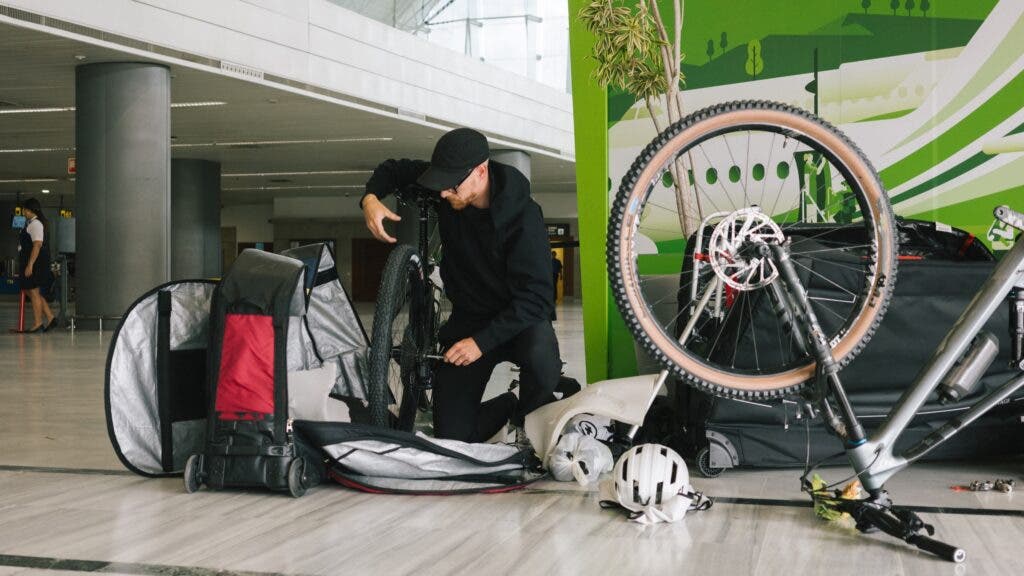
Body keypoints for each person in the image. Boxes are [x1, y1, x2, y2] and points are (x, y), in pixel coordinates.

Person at [361, 127, 560, 444]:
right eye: (441, 184)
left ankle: (527, 416)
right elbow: (393, 169)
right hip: (471, 317)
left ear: (481, 171)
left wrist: (481, 343)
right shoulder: (449, 189)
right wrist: (370, 199)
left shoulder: (524, 217)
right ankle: (509, 403)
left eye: (452, 185)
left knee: (542, 358)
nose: (442, 193)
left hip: (520, 320)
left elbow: (537, 299)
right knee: (451, 436)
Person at [18, 198, 56, 333]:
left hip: (35, 263)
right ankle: (50, 317)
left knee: (33, 291)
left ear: (30, 210)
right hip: (30, 262)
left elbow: (37, 244)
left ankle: (38, 323)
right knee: (30, 290)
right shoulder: (30, 224)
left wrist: (30, 265)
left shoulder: (36, 224)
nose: (23, 212)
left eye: (25, 210)